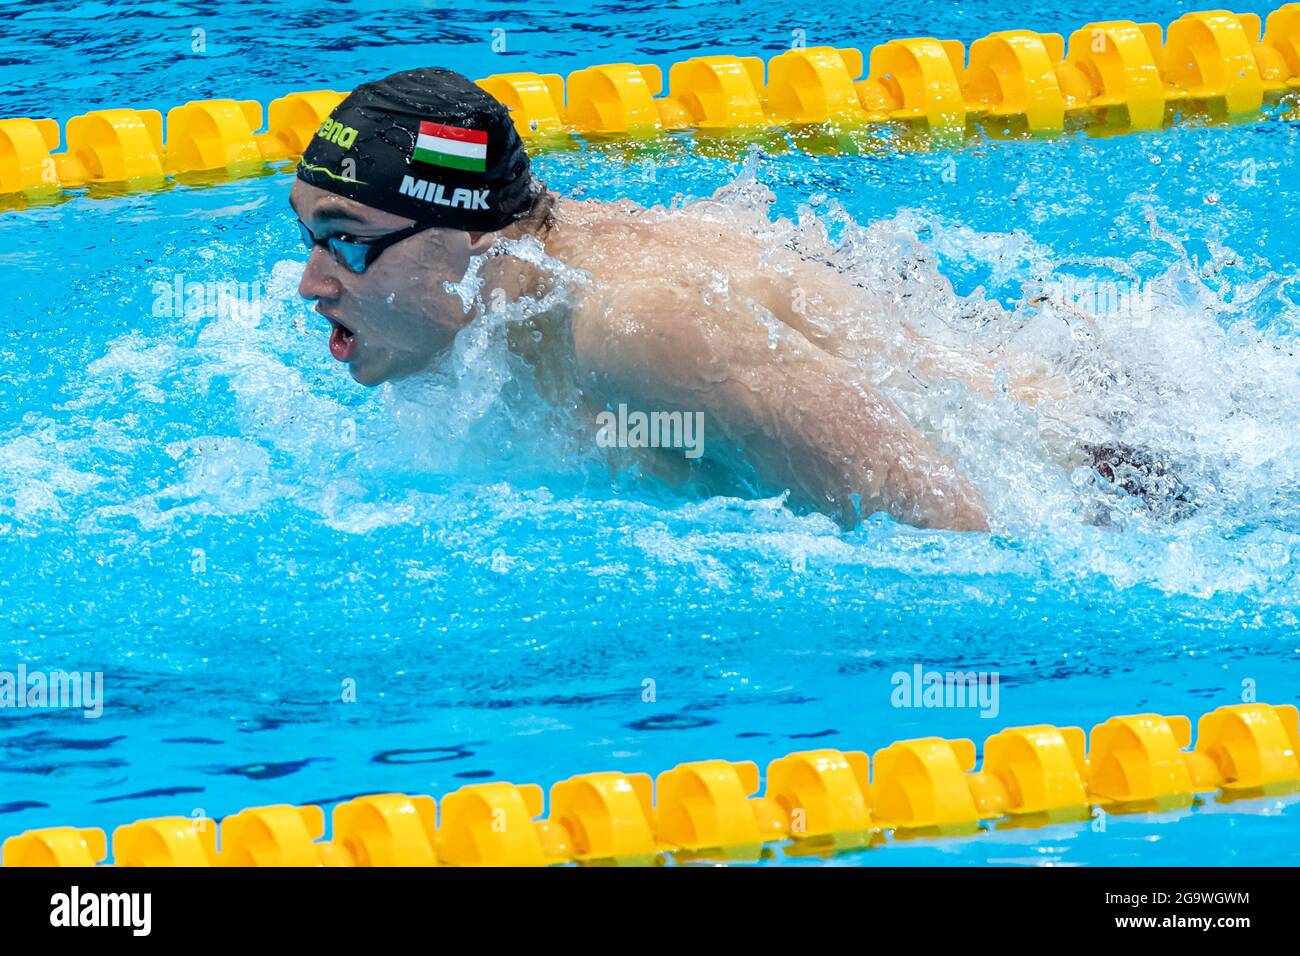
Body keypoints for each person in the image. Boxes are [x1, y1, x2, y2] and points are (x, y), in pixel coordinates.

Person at [290, 67, 1083, 533]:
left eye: (347, 241)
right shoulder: (510, 293)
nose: (313, 285)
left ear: (471, 241)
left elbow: (945, 521)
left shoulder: (637, 327)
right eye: (309, 239)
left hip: (1108, 470)